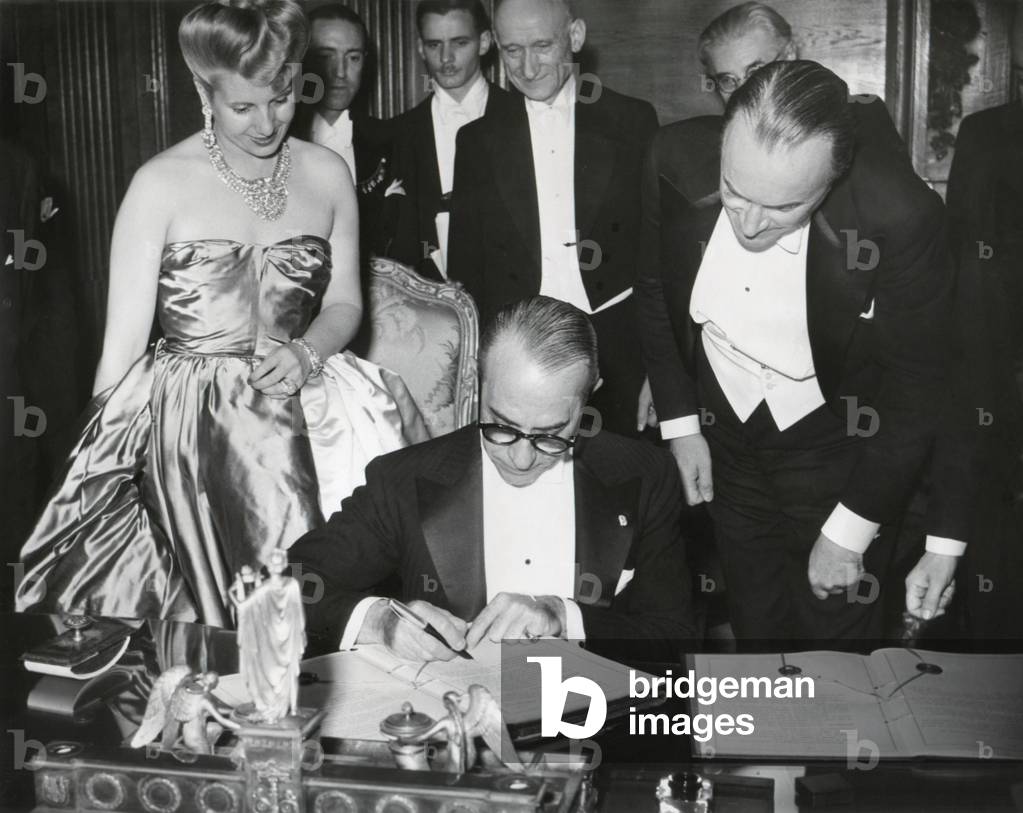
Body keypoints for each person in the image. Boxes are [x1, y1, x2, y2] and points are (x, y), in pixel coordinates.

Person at [16, 0, 427, 627]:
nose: (267, 123)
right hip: (190, 426)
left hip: (309, 399)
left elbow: (346, 303)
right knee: (205, 627)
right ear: (202, 90)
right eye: (243, 107)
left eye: (282, 98)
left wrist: (306, 352)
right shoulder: (159, 184)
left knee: (325, 611)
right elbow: (120, 348)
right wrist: (96, 467)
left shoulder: (328, 173)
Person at [636, 61, 953, 647]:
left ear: (831, 181)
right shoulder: (672, 157)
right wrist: (682, 425)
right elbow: (655, 291)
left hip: (838, 444)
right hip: (726, 434)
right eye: (734, 192)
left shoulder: (900, 217)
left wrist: (853, 528)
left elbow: (918, 391)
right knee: (756, 631)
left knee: (834, 653)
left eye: (782, 209)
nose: (750, 225)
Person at [289, 296, 695, 662]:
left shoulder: (643, 474)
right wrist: (381, 621)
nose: (521, 458)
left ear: (591, 395)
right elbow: (287, 586)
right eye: (501, 426)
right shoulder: (405, 479)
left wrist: (563, 618)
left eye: (551, 434)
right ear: (476, 380)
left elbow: (675, 635)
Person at [447, 0, 659, 437]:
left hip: (620, 348)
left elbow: (659, 257)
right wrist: (481, 370)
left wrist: (662, 373)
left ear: (575, 37)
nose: (526, 66)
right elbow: (466, 272)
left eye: (542, 46)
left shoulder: (633, 121)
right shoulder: (476, 141)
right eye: (511, 50)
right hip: (519, 352)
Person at [390, 0, 515, 280]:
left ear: (484, 43)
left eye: (459, 43)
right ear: (421, 48)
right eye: (435, 45)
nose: (446, 58)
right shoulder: (398, 134)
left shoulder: (522, 116)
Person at [291, 2, 399, 260]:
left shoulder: (393, 139)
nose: (340, 72)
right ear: (302, 61)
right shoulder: (274, 141)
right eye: (325, 57)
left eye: (353, 58)